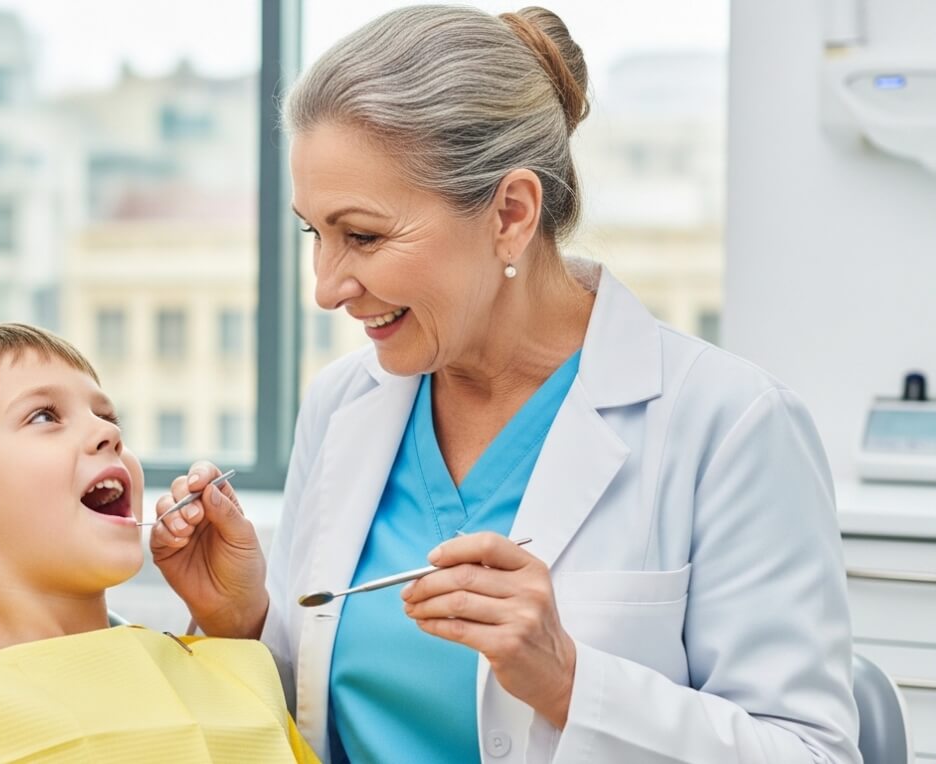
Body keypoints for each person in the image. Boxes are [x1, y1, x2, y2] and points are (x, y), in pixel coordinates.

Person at [150, 6, 860, 762]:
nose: (326, 288)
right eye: (313, 234)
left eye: (361, 235)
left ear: (511, 215)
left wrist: (568, 680)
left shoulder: (731, 424)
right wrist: (242, 622)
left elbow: (812, 752)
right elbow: (319, 714)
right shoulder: (342, 403)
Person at [0, 324, 317, 763]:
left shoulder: (226, 664)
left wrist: (230, 624)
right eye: (44, 416)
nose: (108, 433)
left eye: (108, 416)